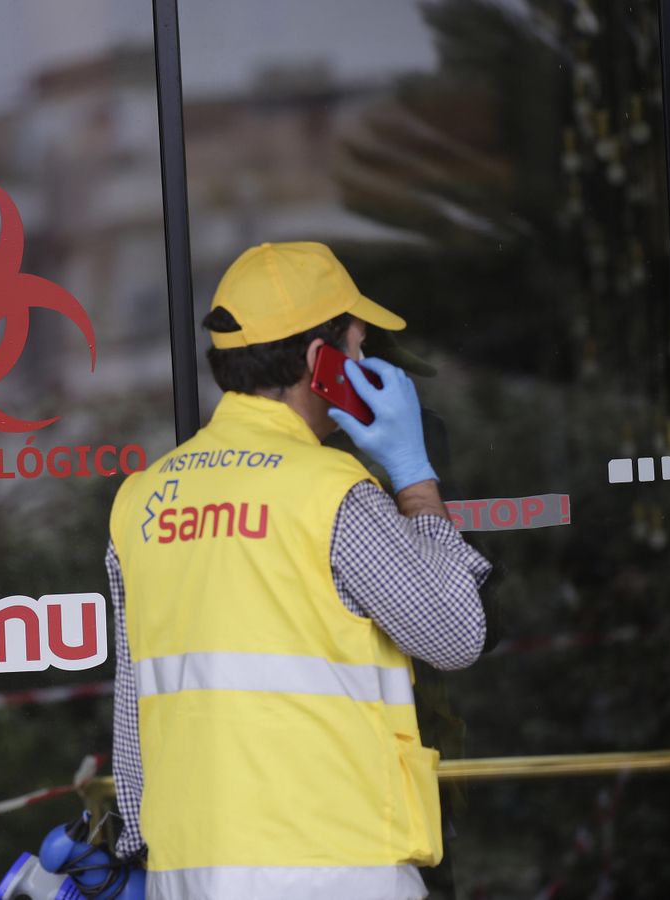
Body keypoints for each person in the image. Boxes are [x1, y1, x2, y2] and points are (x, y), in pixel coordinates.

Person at [106, 242, 490, 900]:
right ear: (322, 362)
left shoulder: (143, 500)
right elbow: (454, 634)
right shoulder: (331, 493)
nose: (365, 364)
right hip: (335, 870)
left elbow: (134, 708)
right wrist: (415, 477)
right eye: (359, 347)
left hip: (190, 877)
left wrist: (137, 849)